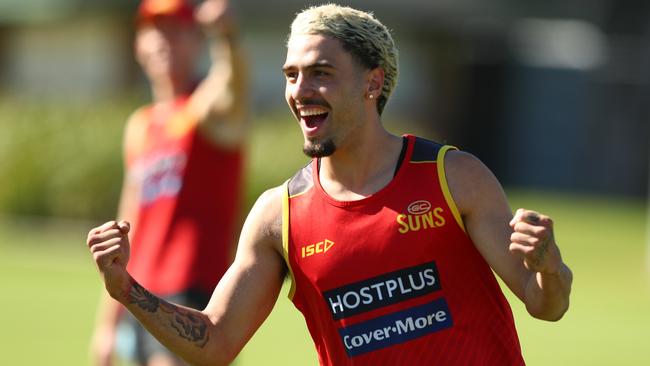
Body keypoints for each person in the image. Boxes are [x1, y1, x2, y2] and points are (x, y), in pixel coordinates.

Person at [87, 4, 572, 365]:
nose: (300, 91)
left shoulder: (453, 177)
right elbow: (213, 341)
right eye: (292, 75)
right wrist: (126, 288)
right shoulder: (280, 216)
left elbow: (545, 304)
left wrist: (549, 267)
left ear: (372, 83)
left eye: (321, 73)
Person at [89, 0, 247, 365]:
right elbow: (129, 221)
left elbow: (233, 86)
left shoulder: (204, 112)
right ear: (137, 45)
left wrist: (228, 38)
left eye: (175, 32)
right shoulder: (141, 125)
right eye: (153, 32)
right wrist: (107, 324)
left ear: (196, 42)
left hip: (191, 293)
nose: (162, 41)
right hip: (137, 294)